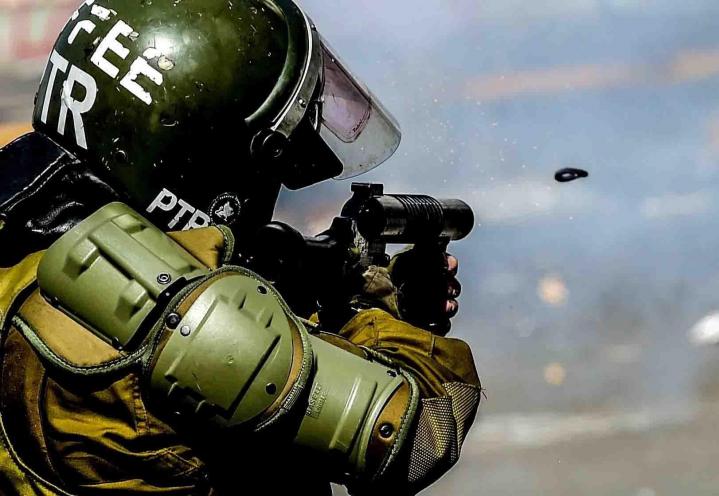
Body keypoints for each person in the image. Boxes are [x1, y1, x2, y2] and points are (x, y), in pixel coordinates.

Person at [0, 0, 482, 494]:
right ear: (204, 158)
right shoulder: (176, 325)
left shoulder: (24, 228)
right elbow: (415, 437)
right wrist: (378, 313)